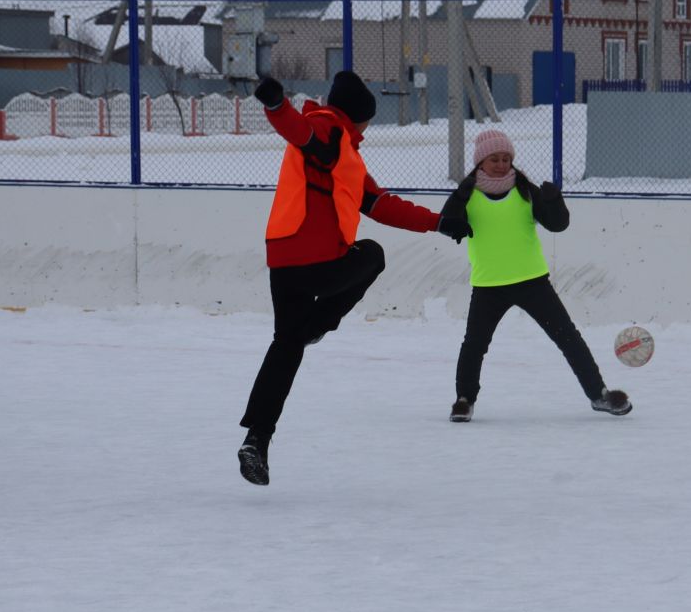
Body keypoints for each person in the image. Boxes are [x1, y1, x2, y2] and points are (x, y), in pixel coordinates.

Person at [237, 70, 444, 486]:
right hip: (320, 263)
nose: (368, 128)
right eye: (368, 119)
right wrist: (277, 105)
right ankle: (319, 325)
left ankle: (256, 440)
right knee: (372, 254)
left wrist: (437, 222)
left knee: (285, 347)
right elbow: (298, 131)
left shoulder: (344, 153)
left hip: (284, 262)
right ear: (358, 116)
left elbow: (381, 204)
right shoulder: (329, 131)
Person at [437, 130, 631, 423]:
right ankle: (464, 400)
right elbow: (446, 224)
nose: (501, 164)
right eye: (494, 159)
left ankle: (599, 395)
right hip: (489, 285)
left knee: (568, 338)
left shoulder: (525, 190)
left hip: (531, 281)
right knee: (474, 344)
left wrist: (555, 202)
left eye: (506, 158)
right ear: (480, 162)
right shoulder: (468, 195)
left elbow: (557, 225)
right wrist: (457, 202)